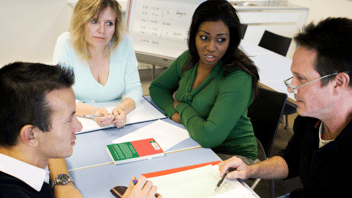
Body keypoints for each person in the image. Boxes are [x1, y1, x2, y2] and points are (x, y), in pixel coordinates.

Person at [218, 17, 352, 198]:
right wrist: (249, 170)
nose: (290, 88)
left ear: (339, 82)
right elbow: (291, 159)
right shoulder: (310, 118)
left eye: (301, 79)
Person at [0, 62, 160, 198]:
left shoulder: (18, 149)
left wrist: (63, 183)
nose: (79, 127)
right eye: (68, 120)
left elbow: (50, 151)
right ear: (31, 135)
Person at [149, 0, 260, 164]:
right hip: (192, 140)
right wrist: (171, 112)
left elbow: (209, 138)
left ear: (232, 40)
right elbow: (157, 88)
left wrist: (180, 106)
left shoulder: (238, 78)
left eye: (221, 40)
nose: (211, 47)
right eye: (204, 37)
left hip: (231, 156)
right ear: (194, 35)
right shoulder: (189, 59)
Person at [53, 0, 142, 128]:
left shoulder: (124, 43)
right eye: (94, 21)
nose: (102, 30)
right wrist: (93, 113)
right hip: (78, 123)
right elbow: (60, 95)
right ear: (82, 22)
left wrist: (122, 109)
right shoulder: (66, 43)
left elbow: (134, 89)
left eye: (109, 23)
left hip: (114, 125)